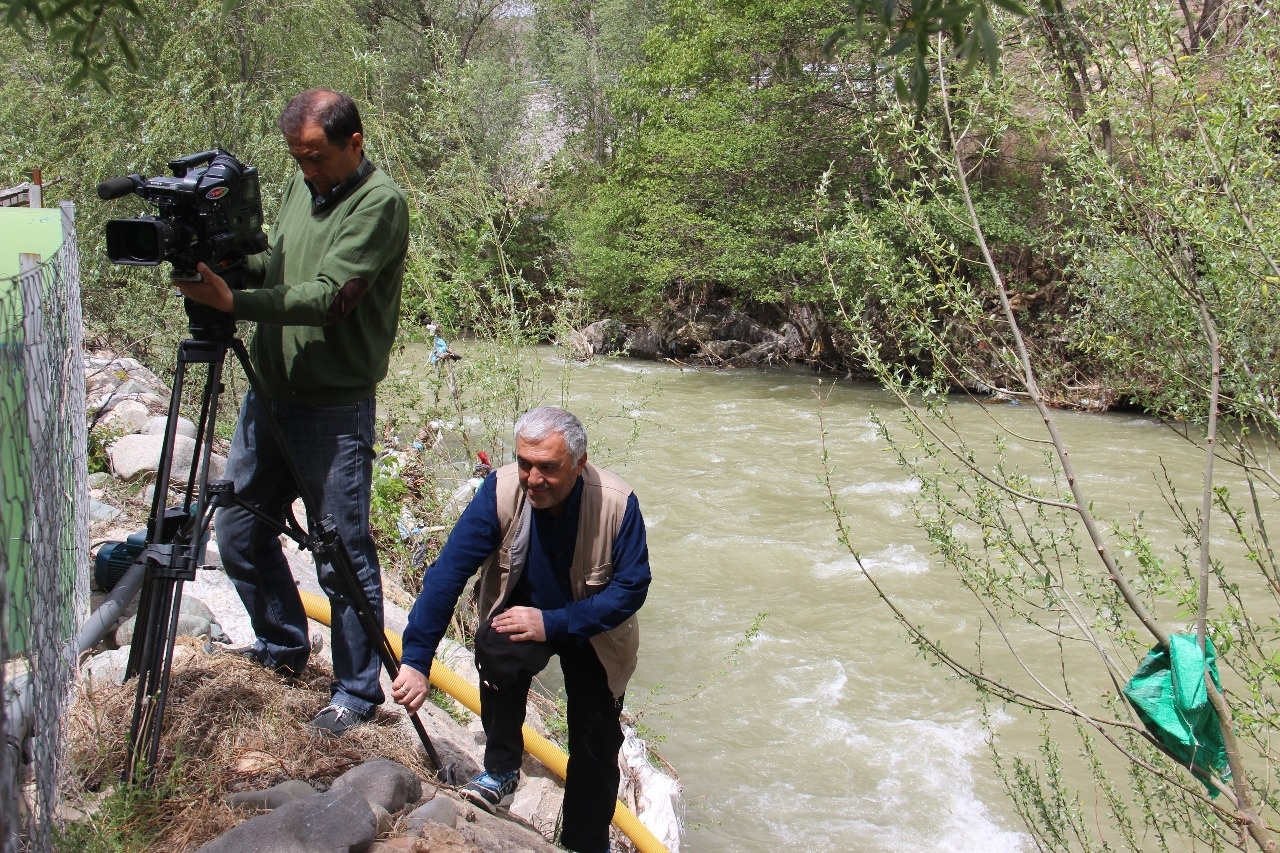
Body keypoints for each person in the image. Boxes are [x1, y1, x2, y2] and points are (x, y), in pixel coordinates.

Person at [175, 88, 409, 736]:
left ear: (353, 143)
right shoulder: (301, 187)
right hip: (270, 392)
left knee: (341, 553)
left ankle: (357, 691)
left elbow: (332, 298)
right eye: (296, 158)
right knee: (241, 532)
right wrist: (217, 269)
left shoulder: (380, 203)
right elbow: (275, 264)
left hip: (333, 408)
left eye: (316, 157)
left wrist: (234, 302)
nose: (306, 170)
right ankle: (282, 647)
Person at [393, 407, 651, 853]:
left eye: (548, 468)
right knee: (497, 649)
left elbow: (630, 589)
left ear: (580, 462)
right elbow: (448, 574)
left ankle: (583, 843)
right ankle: (502, 769)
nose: (532, 478)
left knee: (595, 741)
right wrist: (417, 660)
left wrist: (553, 622)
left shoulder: (617, 502)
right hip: (521, 612)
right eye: (525, 463)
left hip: (594, 630)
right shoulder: (500, 490)